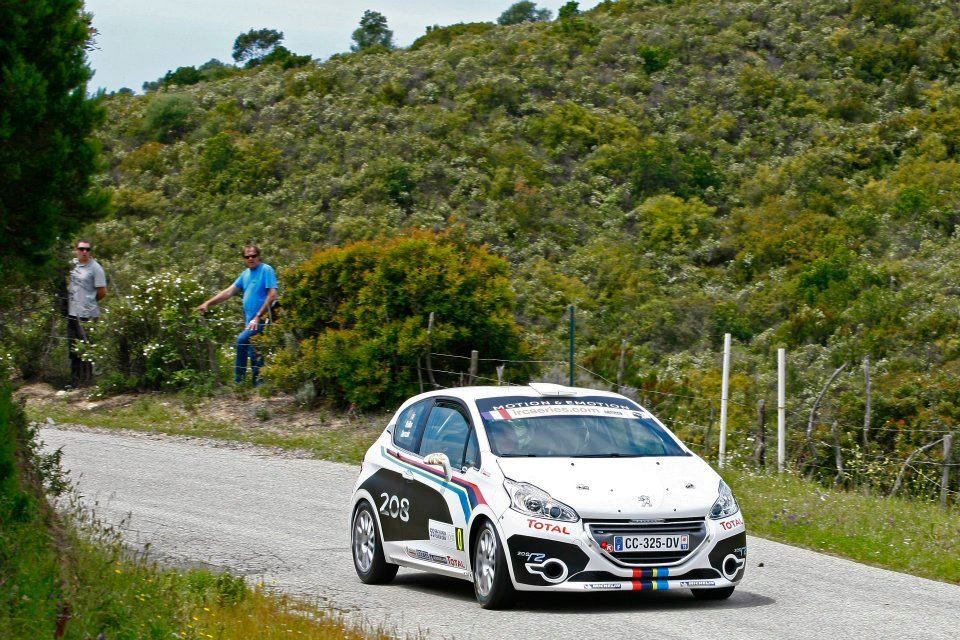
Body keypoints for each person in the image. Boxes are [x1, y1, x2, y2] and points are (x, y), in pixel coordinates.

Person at [197, 244, 278, 385]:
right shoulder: (245, 274)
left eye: (253, 255)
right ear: (244, 258)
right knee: (255, 353)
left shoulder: (266, 270)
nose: (250, 258)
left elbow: (272, 295)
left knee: (241, 340)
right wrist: (208, 303)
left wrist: (258, 316)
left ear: (259, 256)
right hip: (249, 321)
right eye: (247, 256)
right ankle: (258, 388)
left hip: (262, 319)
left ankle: (238, 382)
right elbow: (228, 292)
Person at [67, 240, 107, 387]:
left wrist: (89, 301)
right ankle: (75, 382)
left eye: (87, 249)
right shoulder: (73, 265)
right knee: (73, 348)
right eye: (81, 249)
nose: (84, 252)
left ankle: (88, 382)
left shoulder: (96, 268)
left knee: (87, 347)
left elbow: (102, 291)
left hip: (88, 314)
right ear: (76, 250)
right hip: (73, 313)